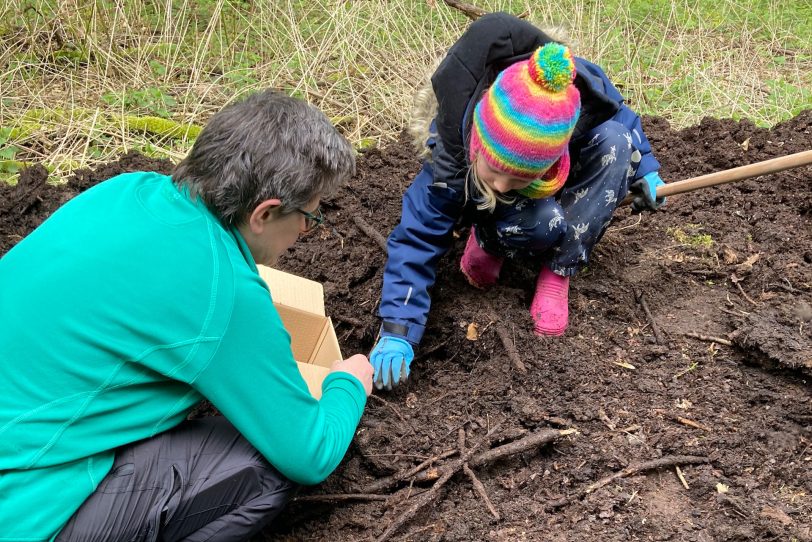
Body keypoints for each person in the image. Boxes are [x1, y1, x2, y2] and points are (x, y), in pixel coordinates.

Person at [0, 90, 374, 540]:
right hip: (25, 511)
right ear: (265, 213)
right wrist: (349, 384)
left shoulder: (126, 189)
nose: (305, 231)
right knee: (263, 465)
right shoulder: (222, 289)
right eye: (309, 217)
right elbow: (308, 452)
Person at [369, 12, 666, 390]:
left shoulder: (570, 99)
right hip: (510, 211)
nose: (505, 183)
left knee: (616, 145)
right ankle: (489, 243)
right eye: (496, 171)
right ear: (478, 144)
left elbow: (617, 113)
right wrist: (398, 329)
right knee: (541, 220)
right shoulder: (451, 163)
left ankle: (559, 269)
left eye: (521, 176)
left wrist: (644, 168)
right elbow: (415, 241)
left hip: (550, 195)